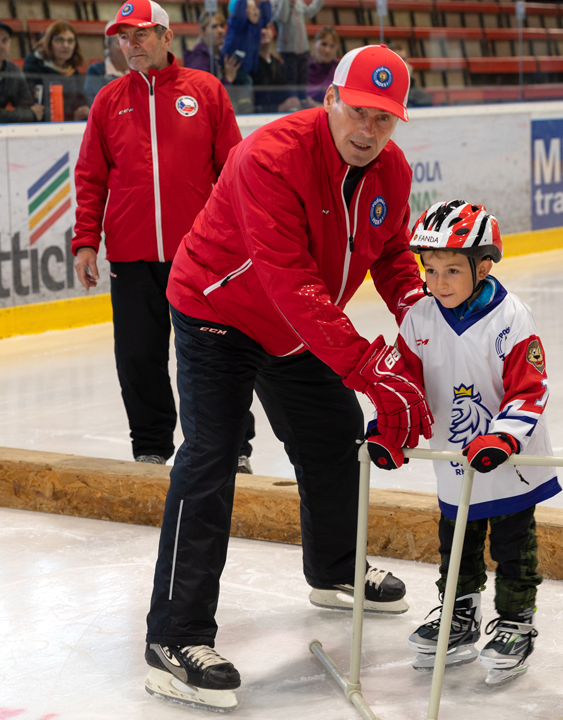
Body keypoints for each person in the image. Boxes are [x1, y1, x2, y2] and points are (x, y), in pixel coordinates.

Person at [142, 45, 427, 712]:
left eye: (383, 120)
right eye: (358, 112)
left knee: (333, 432)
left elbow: (390, 257)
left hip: (297, 322)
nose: (367, 131)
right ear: (330, 99)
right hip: (219, 309)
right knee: (211, 455)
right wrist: (368, 366)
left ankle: (333, 571)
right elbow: (289, 281)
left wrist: (424, 327)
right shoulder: (270, 158)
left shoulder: (391, 169)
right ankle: (174, 637)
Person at [367, 200, 557, 685]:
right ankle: (459, 614)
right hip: (454, 461)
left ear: (484, 265)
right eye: (430, 270)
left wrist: (503, 437)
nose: (439, 282)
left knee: (515, 546)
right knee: (456, 545)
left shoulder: (512, 318)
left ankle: (516, 619)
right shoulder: (419, 319)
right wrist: (390, 432)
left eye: (453, 270)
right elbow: (405, 386)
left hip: (508, 461)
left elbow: (530, 389)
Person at [72, 0, 258, 475]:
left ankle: (232, 445)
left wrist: (238, 238)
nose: (129, 45)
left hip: (201, 255)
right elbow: (91, 178)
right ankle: (151, 446)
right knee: (138, 356)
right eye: (122, 37)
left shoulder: (206, 91)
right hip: (132, 257)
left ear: (165, 36)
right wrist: (86, 241)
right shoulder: (109, 100)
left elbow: (233, 169)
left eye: (139, 35)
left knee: (215, 354)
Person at [23, 21, 91, 121]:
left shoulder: (73, 72)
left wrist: (83, 112)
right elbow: (31, 104)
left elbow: (82, 102)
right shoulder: (34, 66)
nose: (65, 45)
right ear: (49, 42)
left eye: (70, 41)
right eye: (60, 40)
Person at [274, 0, 322, 101]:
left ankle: (302, 100)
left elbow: (309, 12)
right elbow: (283, 17)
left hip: (303, 48)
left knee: (303, 77)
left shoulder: (298, 2)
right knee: (291, 77)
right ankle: (292, 101)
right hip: (288, 49)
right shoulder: (276, 2)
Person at [183, 10, 243, 87]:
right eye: (214, 27)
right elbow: (207, 95)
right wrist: (228, 79)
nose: (220, 30)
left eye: (222, 26)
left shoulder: (218, 56)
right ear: (202, 31)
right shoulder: (200, 61)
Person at [251, 22, 299, 113]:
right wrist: (279, 108)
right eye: (259, 28)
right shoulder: (249, 67)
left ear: (272, 32)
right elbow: (249, 107)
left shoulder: (279, 66)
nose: (263, 31)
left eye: (266, 27)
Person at [222, 0, 272, 75]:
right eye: (248, 7)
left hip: (249, 66)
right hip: (236, 67)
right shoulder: (238, 26)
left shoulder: (256, 25)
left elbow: (266, 17)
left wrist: (264, 2)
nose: (254, 10)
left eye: (255, 7)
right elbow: (239, 15)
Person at [84, 34, 126, 106]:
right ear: (108, 46)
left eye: (126, 42)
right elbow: (95, 104)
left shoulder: (138, 70)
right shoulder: (95, 70)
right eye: (119, 43)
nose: (125, 46)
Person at [304, 25, 337, 107]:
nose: (327, 50)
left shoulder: (340, 70)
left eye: (332, 46)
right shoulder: (303, 68)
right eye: (324, 44)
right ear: (315, 44)